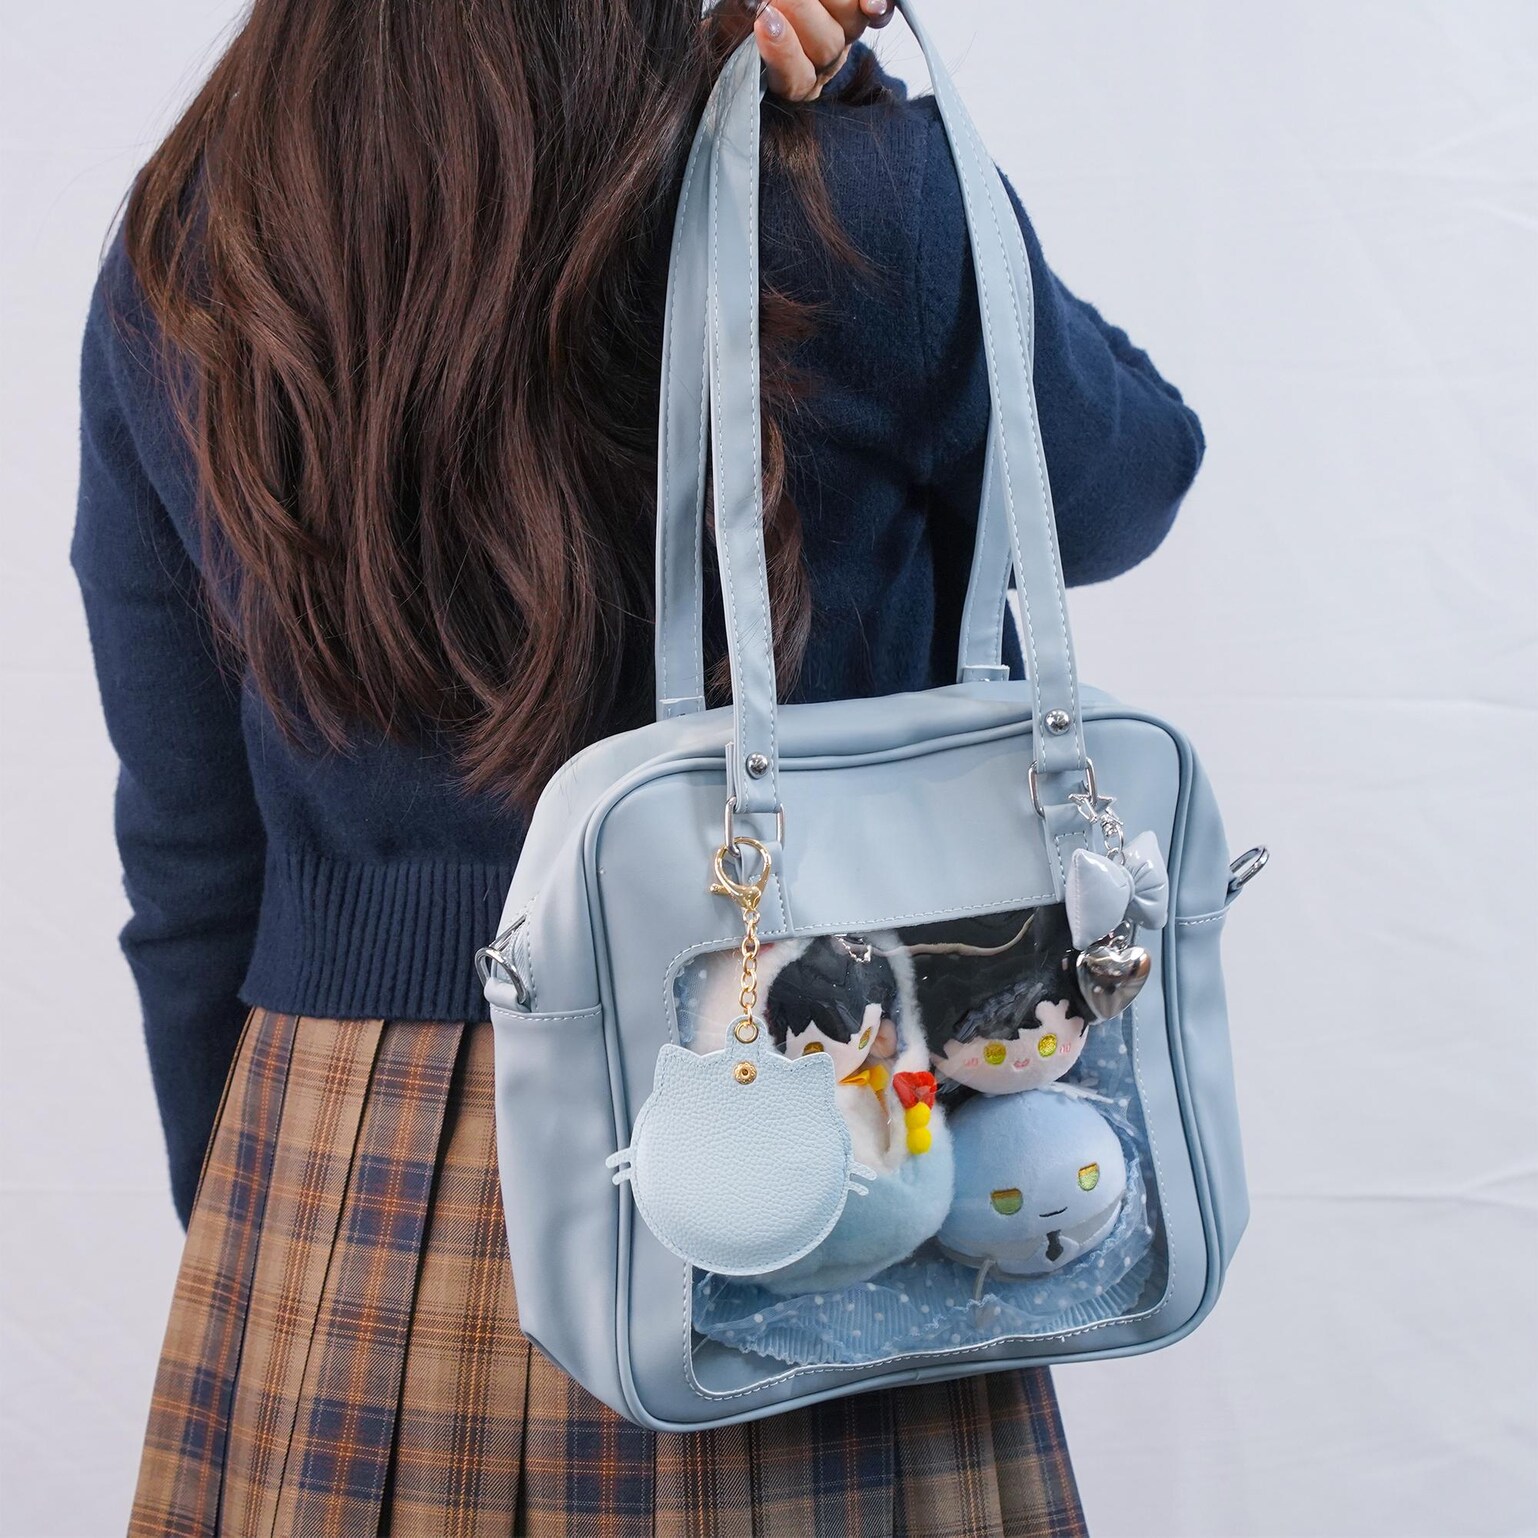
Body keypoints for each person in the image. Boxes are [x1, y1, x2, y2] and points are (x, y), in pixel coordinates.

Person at [73, 0, 1204, 1531]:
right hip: (815, 1130)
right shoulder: (847, 201)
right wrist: (854, 95)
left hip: (340, 1168)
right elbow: (1125, 476)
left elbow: (190, 841)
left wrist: (252, 1211)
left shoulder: (202, 236)